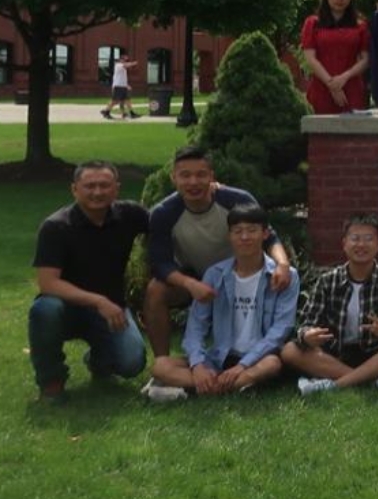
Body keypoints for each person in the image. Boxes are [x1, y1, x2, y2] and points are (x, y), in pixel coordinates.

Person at [143, 145, 293, 358]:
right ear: (173, 178)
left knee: (278, 281)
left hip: (243, 274)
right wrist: (191, 284)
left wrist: (283, 264)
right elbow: (161, 263)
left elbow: (270, 237)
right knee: (155, 291)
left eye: (200, 175)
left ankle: (266, 354)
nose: (193, 182)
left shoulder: (236, 200)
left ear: (211, 176)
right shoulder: (163, 213)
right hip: (196, 279)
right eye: (185, 175)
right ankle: (162, 363)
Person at [142, 204, 299, 401]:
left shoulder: (285, 276)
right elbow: (196, 325)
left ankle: (195, 390)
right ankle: (226, 385)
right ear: (229, 236)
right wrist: (197, 365)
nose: (244, 237)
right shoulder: (215, 274)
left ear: (265, 234)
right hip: (220, 356)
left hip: (259, 357)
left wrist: (242, 365)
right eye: (238, 232)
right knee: (161, 366)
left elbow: (281, 330)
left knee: (272, 364)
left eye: (252, 231)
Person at [29, 161, 149, 402]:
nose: (97, 192)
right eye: (89, 186)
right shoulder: (56, 227)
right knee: (44, 309)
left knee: (132, 363)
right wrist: (98, 301)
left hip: (111, 310)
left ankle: (99, 361)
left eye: (104, 185)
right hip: (66, 309)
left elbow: (167, 220)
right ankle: (51, 381)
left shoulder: (130, 215)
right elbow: (48, 284)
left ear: (116, 188)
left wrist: (214, 191)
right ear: (75, 189)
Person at [281, 214, 378, 394]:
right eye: (355, 238)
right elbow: (306, 323)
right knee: (289, 350)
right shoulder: (327, 281)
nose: (361, 245)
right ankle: (373, 380)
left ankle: (335, 385)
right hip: (335, 354)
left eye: (368, 239)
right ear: (344, 244)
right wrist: (307, 335)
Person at [300, 0, 371, 113]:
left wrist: (344, 78)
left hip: (352, 88)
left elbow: (366, 59)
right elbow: (310, 58)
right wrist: (331, 84)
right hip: (321, 88)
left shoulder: (360, 26)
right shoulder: (313, 23)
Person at [100, 50, 140, 120]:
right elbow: (126, 65)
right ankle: (106, 112)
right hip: (118, 86)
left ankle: (131, 113)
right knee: (114, 101)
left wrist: (127, 85)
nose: (126, 61)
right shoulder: (118, 65)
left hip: (123, 86)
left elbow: (122, 78)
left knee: (127, 100)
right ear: (121, 59)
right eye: (124, 59)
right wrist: (133, 63)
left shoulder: (123, 68)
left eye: (126, 60)